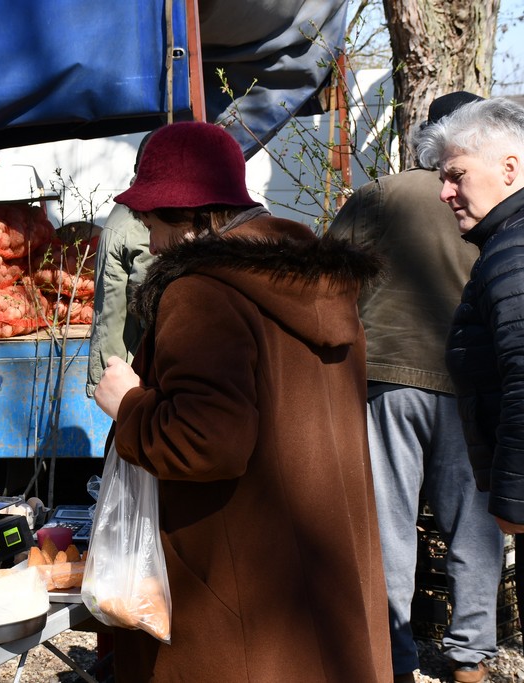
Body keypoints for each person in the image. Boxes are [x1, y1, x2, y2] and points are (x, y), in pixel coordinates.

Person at [92, 120, 393, 682]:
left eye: (150, 220)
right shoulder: (319, 285)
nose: (148, 241)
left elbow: (206, 441)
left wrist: (128, 403)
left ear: (190, 219)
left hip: (238, 605)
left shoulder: (201, 292)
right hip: (314, 599)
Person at [327, 91, 504, 683]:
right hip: (470, 384)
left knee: (389, 529)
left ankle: (394, 661)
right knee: (473, 529)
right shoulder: (499, 198)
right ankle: (471, 660)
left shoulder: (383, 194)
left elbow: (327, 279)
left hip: (388, 378)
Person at [416, 97, 524, 683]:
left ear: (509, 169)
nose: (444, 192)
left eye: (456, 175)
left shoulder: (520, 250)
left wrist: (514, 499)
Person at [86, 133, 157, 397]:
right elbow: (155, 312)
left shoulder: (126, 212)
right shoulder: (140, 223)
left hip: (118, 368)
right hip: (135, 374)